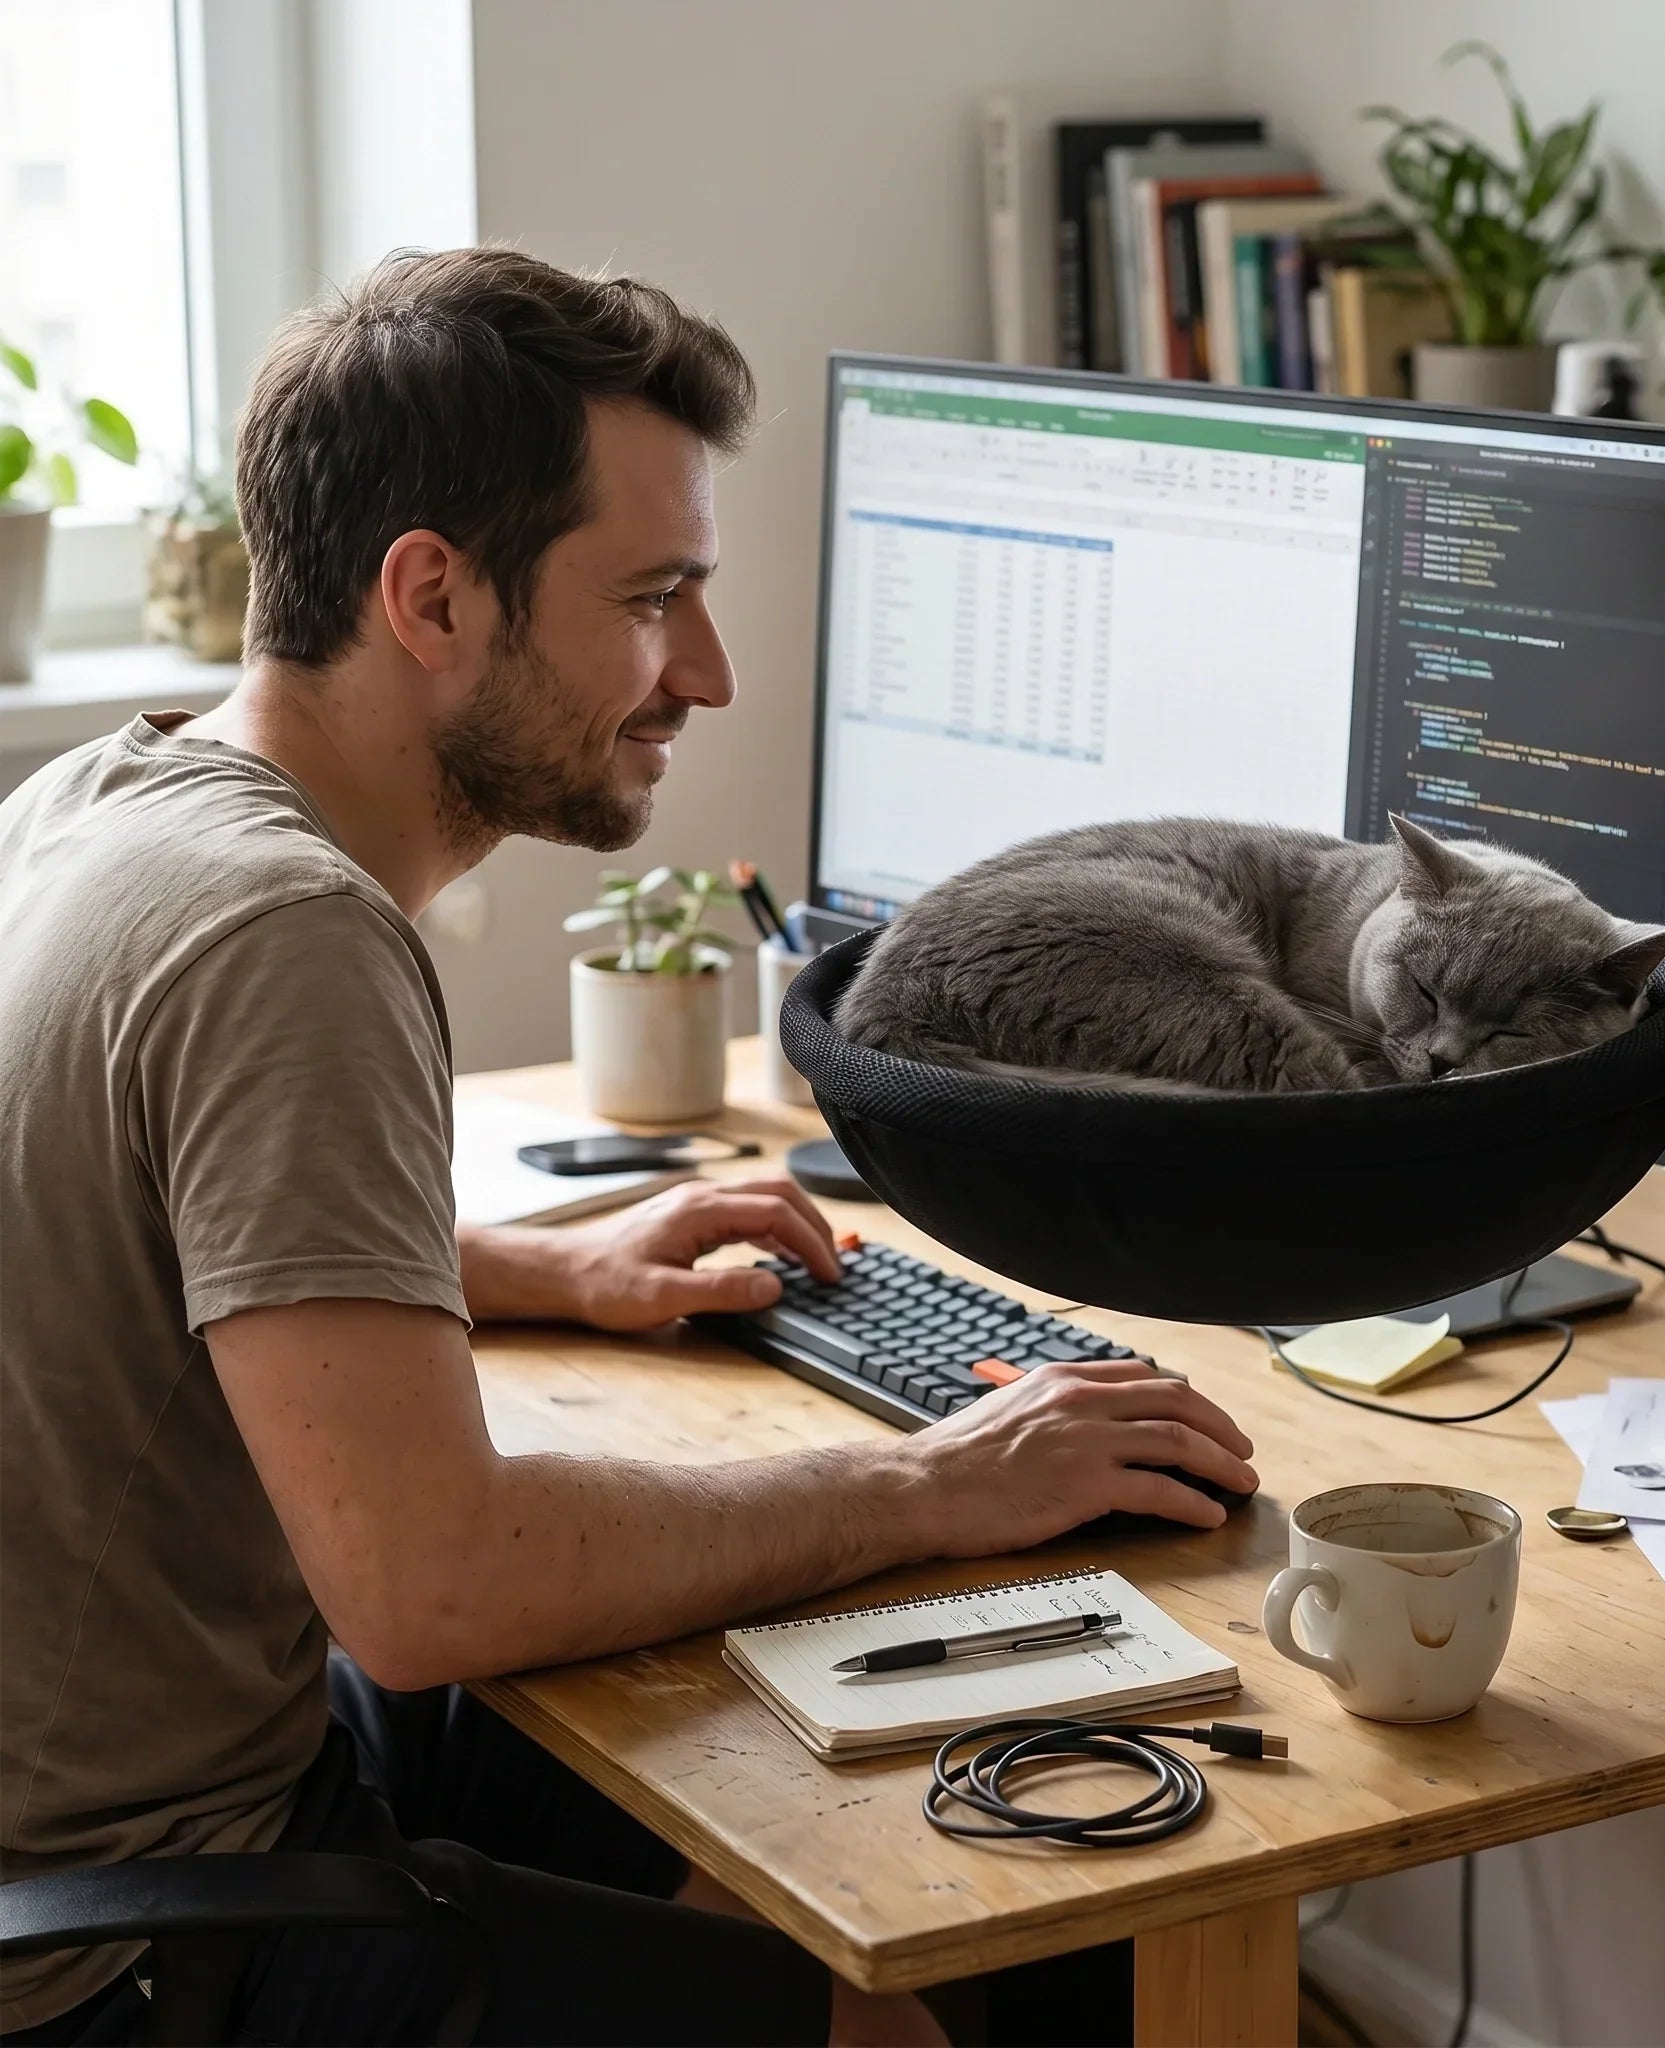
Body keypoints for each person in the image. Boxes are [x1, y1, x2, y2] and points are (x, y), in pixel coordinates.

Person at [0, 248, 1259, 2047]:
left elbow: (126, 1243)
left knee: (799, 1800)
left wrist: (542, 1269)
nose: (712, 675)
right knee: (874, 1999)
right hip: (115, 1951)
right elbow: (430, 1588)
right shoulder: (286, 935)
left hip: (116, 1816)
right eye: (654, 598)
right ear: (431, 595)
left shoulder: (105, 800)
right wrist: (930, 1487)